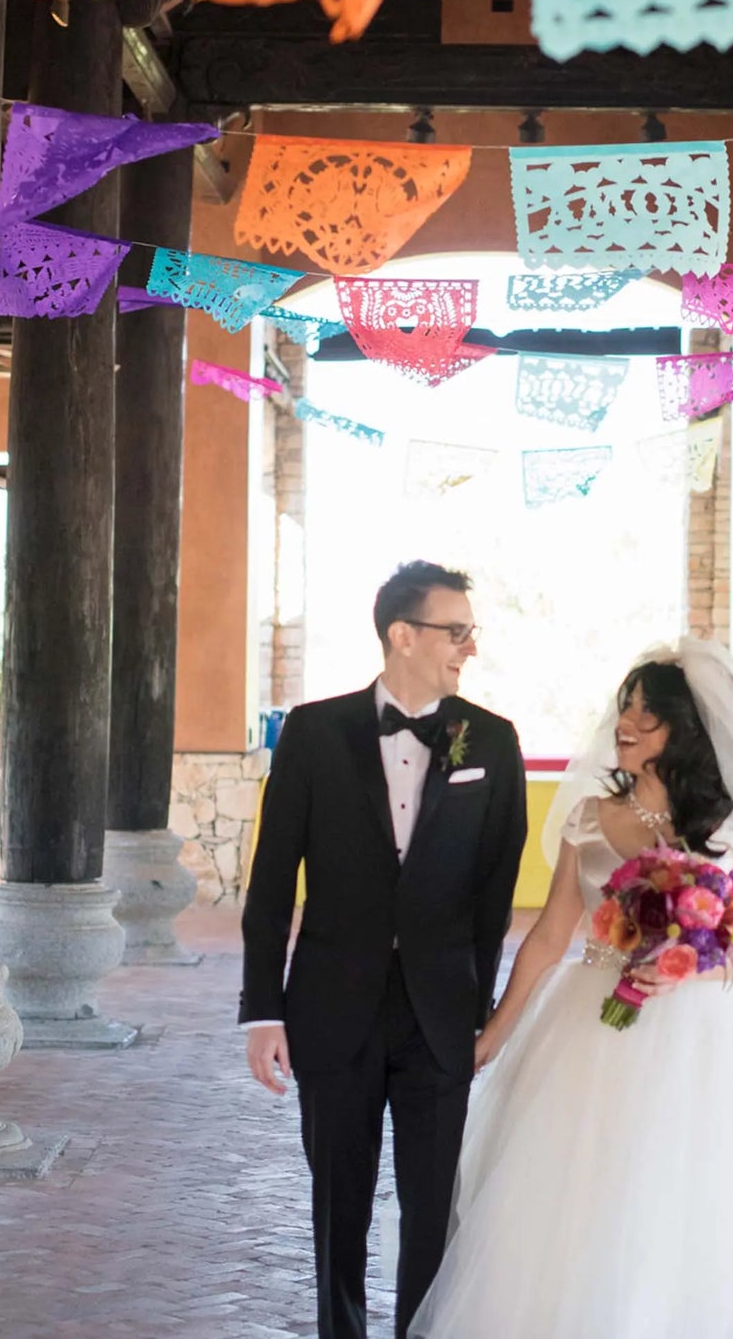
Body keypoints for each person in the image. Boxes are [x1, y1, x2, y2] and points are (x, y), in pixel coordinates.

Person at [410, 638, 733, 1338]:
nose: (627, 720)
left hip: (706, 1034)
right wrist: (493, 1032)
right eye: (625, 705)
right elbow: (549, 934)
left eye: (649, 712)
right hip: (590, 1026)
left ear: (687, 731)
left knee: (684, 1199)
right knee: (578, 1197)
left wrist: (690, 967)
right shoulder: (586, 816)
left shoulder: (731, 826)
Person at [240, 560, 528, 1339]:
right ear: (402, 635)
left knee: (431, 1208)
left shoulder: (492, 743)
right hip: (331, 1008)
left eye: (470, 630)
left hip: (439, 1017)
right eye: (455, 629)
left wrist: (474, 1007)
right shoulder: (312, 732)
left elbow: (492, 895)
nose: (468, 646)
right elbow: (270, 885)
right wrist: (262, 1011)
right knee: (339, 1203)